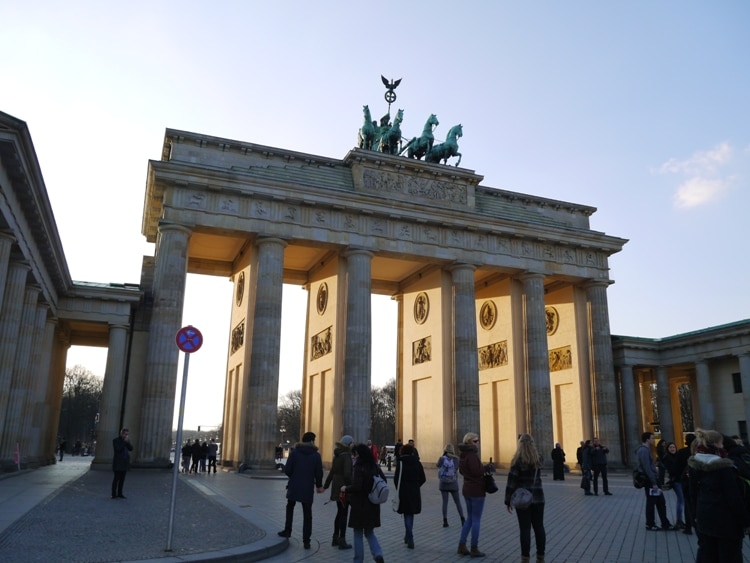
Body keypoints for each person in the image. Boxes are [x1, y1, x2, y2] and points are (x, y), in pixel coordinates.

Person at [686, 428, 749, 562]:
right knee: (730, 556)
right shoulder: (725, 468)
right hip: (727, 523)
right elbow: (734, 499)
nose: (723, 446)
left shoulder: (695, 466)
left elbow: (692, 495)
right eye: (721, 444)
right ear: (715, 445)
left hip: (704, 520)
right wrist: (745, 521)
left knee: (707, 556)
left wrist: (695, 517)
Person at [277, 431, 324, 549]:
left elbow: (287, 470)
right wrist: (318, 485)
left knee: (290, 507)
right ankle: (306, 541)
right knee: (307, 514)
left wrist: (294, 476)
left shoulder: (295, 453)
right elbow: (319, 473)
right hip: (307, 487)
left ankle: (287, 531)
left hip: (294, 485)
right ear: (312, 441)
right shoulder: (316, 455)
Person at [342, 443, 385, 563]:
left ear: (359, 454)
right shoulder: (375, 466)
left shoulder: (359, 467)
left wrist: (346, 488)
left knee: (358, 533)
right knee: (370, 532)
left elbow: (357, 486)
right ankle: (378, 554)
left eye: (355, 454)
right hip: (373, 504)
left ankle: (358, 560)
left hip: (360, 504)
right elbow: (384, 481)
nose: (354, 457)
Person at [505, 434, 545, 563]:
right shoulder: (538, 459)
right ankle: (540, 557)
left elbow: (511, 482)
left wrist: (508, 501)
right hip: (538, 498)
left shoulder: (517, 461)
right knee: (539, 527)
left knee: (525, 529)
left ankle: (525, 558)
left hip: (523, 500)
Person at [457, 432, 487, 558]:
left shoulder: (463, 455)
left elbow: (463, 471)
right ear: (469, 442)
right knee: (476, 520)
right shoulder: (472, 455)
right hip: (476, 490)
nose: (478, 443)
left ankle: (462, 545)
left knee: (469, 518)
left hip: (467, 489)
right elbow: (476, 472)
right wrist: (485, 468)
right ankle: (474, 547)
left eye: (478, 440)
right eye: (475, 441)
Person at [637, 432, 675, 531]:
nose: (654, 440)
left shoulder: (645, 450)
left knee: (660, 502)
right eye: (652, 438)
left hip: (654, 480)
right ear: (647, 439)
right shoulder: (643, 451)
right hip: (651, 481)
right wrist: (654, 482)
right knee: (652, 502)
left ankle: (665, 523)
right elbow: (646, 467)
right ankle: (650, 524)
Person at [323, 435, 354, 550]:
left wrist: (326, 486)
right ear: (348, 444)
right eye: (352, 443)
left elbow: (331, 473)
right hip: (343, 488)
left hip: (336, 486)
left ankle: (335, 538)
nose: (353, 445)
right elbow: (347, 474)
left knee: (339, 512)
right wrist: (351, 486)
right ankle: (342, 539)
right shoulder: (346, 456)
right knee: (344, 514)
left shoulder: (337, 455)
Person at [394, 443, 426, 549]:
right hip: (414, 491)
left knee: (406, 513)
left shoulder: (401, 463)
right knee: (410, 514)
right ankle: (408, 536)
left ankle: (410, 536)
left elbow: (396, 478)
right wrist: (416, 485)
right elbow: (423, 478)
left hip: (403, 491)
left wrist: (399, 489)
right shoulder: (417, 463)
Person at [437, 444, 465, 528]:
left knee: (445, 503)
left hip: (443, 483)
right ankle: (462, 519)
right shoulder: (456, 459)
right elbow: (457, 469)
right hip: (453, 483)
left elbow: (438, 466)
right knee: (458, 502)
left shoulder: (441, 459)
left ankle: (445, 520)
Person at [661, 442, 685, 528]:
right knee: (681, 500)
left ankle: (680, 520)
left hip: (680, 480)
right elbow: (672, 470)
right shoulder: (667, 458)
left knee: (681, 500)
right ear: (667, 449)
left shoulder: (677, 456)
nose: (672, 449)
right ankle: (679, 520)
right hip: (676, 481)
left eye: (674, 447)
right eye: (670, 447)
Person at [676, 433, 696, 534]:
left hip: (685, 481)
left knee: (687, 503)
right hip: (697, 481)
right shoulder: (696, 452)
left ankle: (688, 526)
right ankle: (696, 523)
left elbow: (677, 467)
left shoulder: (682, 452)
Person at [112, 428, 133, 499]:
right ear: (121, 434)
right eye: (125, 434)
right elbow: (118, 449)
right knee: (116, 479)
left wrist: (128, 442)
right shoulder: (116, 440)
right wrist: (124, 442)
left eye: (127, 434)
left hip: (124, 463)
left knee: (122, 479)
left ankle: (120, 493)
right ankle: (114, 494)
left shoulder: (126, 442)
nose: (126, 436)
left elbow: (131, 449)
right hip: (118, 462)